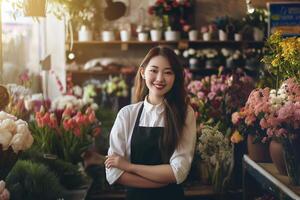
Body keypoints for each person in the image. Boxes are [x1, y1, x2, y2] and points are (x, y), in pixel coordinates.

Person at [105, 46, 196, 200]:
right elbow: (114, 173)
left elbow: (178, 171)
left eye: (168, 72)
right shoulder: (127, 114)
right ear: (143, 72)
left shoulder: (185, 113)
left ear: (175, 77)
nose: (160, 78)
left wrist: (129, 167)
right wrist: (159, 182)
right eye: (154, 70)